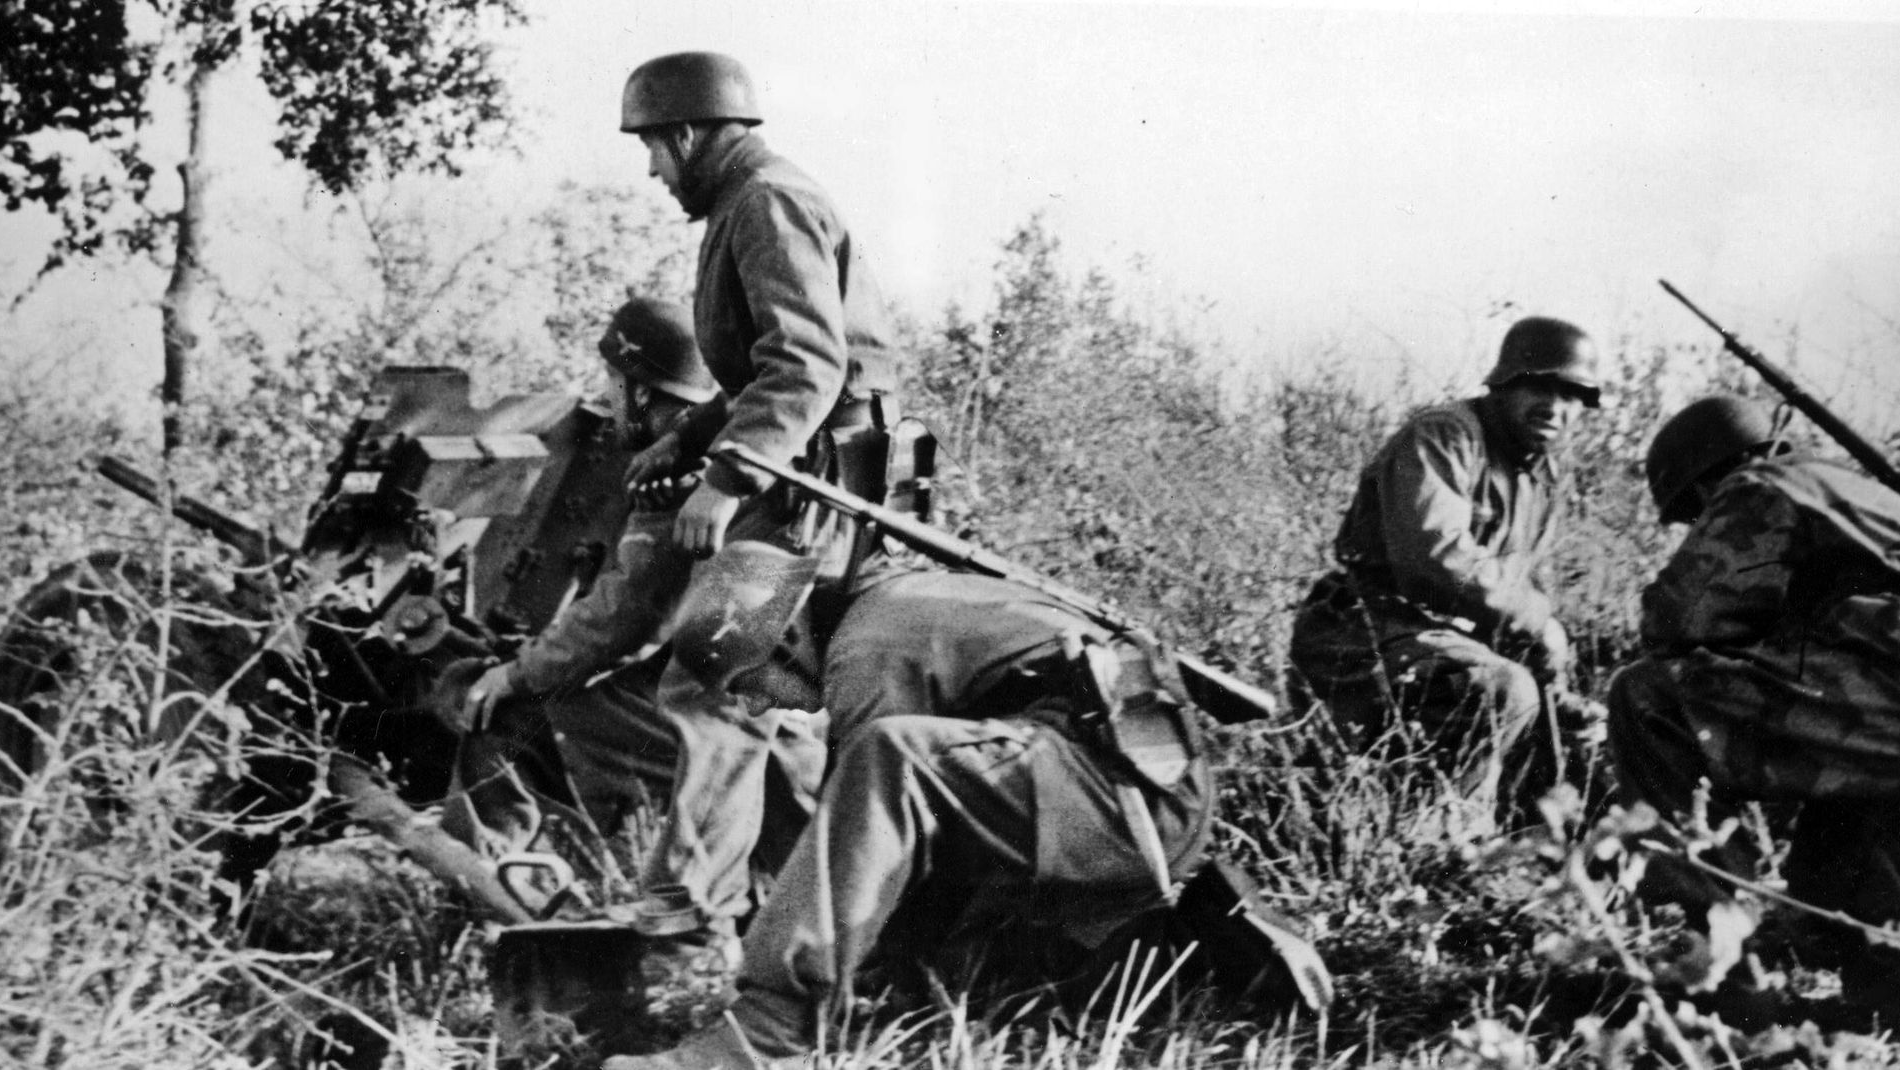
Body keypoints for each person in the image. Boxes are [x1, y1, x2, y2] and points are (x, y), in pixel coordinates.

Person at [607, 558, 1330, 1070]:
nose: (762, 702)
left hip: (1116, 802)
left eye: (749, 681)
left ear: (787, 635)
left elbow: (868, 840)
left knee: (892, 758)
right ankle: (1162, 952)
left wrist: (813, 955)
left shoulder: (868, 651)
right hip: (1128, 794)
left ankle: (768, 1032)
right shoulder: (908, 596)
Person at [614, 50, 905, 951]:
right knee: (765, 701)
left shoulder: (766, 202)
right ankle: (818, 915)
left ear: (689, 133)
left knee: (712, 678)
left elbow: (807, 366)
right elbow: (756, 366)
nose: (653, 172)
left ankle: (684, 927)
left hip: (804, 491)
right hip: (805, 477)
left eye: (654, 149)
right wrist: (690, 434)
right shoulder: (748, 202)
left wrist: (726, 478)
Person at [1605, 394, 1900, 1033]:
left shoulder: (1758, 485)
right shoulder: (1851, 487)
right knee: (1821, 855)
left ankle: (1717, 968)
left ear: (1707, 478)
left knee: (1648, 700)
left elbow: (1682, 618)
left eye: (1692, 516)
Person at [440, 298, 821, 916]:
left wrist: (511, 674)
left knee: (507, 725)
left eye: (614, 385)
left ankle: (503, 913)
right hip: (796, 723)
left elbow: (624, 616)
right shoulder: (761, 445)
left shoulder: (683, 467)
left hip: (744, 727)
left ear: (639, 391)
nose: (610, 399)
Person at [1288, 316, 1600, 801]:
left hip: (1441, 643)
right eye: (1540, 387)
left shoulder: (1542, 478)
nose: (1555, 407)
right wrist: (1538, 620)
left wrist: (1557, 688)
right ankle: (1439, 850)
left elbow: (1509, 598)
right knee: (1503, 690)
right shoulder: (1446, 436)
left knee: (1563, 727)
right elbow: (1434, 563)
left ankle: (1510, 858)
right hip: (1362, 630)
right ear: (1505, 383)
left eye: (1572, 395)